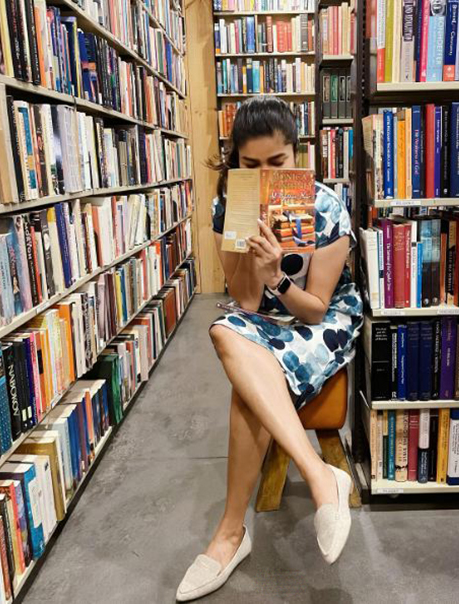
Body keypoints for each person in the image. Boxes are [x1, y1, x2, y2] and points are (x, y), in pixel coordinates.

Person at [176, 96, 363, 602]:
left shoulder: (326, 206)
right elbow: (243, 301)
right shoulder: (229, 207)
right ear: (236, 162)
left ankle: (229, 534)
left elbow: (316, 310)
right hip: (263, 318)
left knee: (247, 392)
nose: (263, 178)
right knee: (224, 330)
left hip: (319, 319)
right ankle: (320, 476)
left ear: (296, 155)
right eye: (250, 165)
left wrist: (278, 277)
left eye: (276, 163)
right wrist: (248, 250)